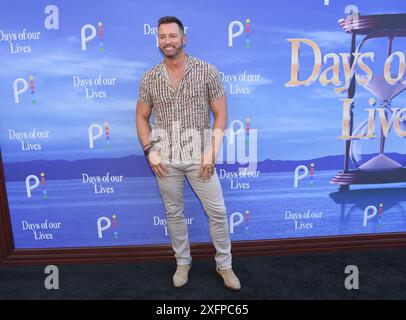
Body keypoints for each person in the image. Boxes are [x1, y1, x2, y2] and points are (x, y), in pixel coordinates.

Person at [136, 16, 241, 290]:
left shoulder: (207, 71)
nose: (167, 41)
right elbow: (141, 117)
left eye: (172, 36)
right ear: (157, 41)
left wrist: (211, 152)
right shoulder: (149, 77)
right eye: (162, 37)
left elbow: (221, 114)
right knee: (173, 213)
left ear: (183, 38)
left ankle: (225, 266)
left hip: (200, 156)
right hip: (165, 158)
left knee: (217, 212)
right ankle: (183, 261)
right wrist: (150, 151)